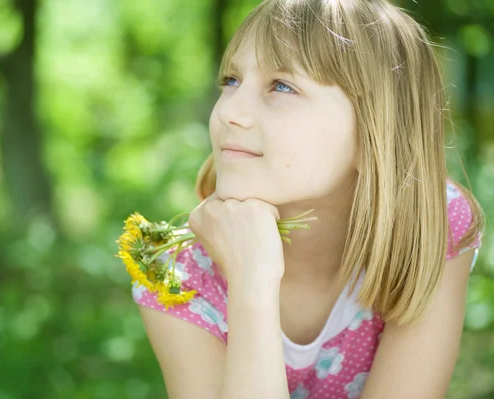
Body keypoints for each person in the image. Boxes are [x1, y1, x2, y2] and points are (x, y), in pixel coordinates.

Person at [131, 0, 486, 398]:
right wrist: (252, 282)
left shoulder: (431, 228)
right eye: (231, 80)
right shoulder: (176, 277)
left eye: (282, 86)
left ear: (376, 133)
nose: (230, 111)